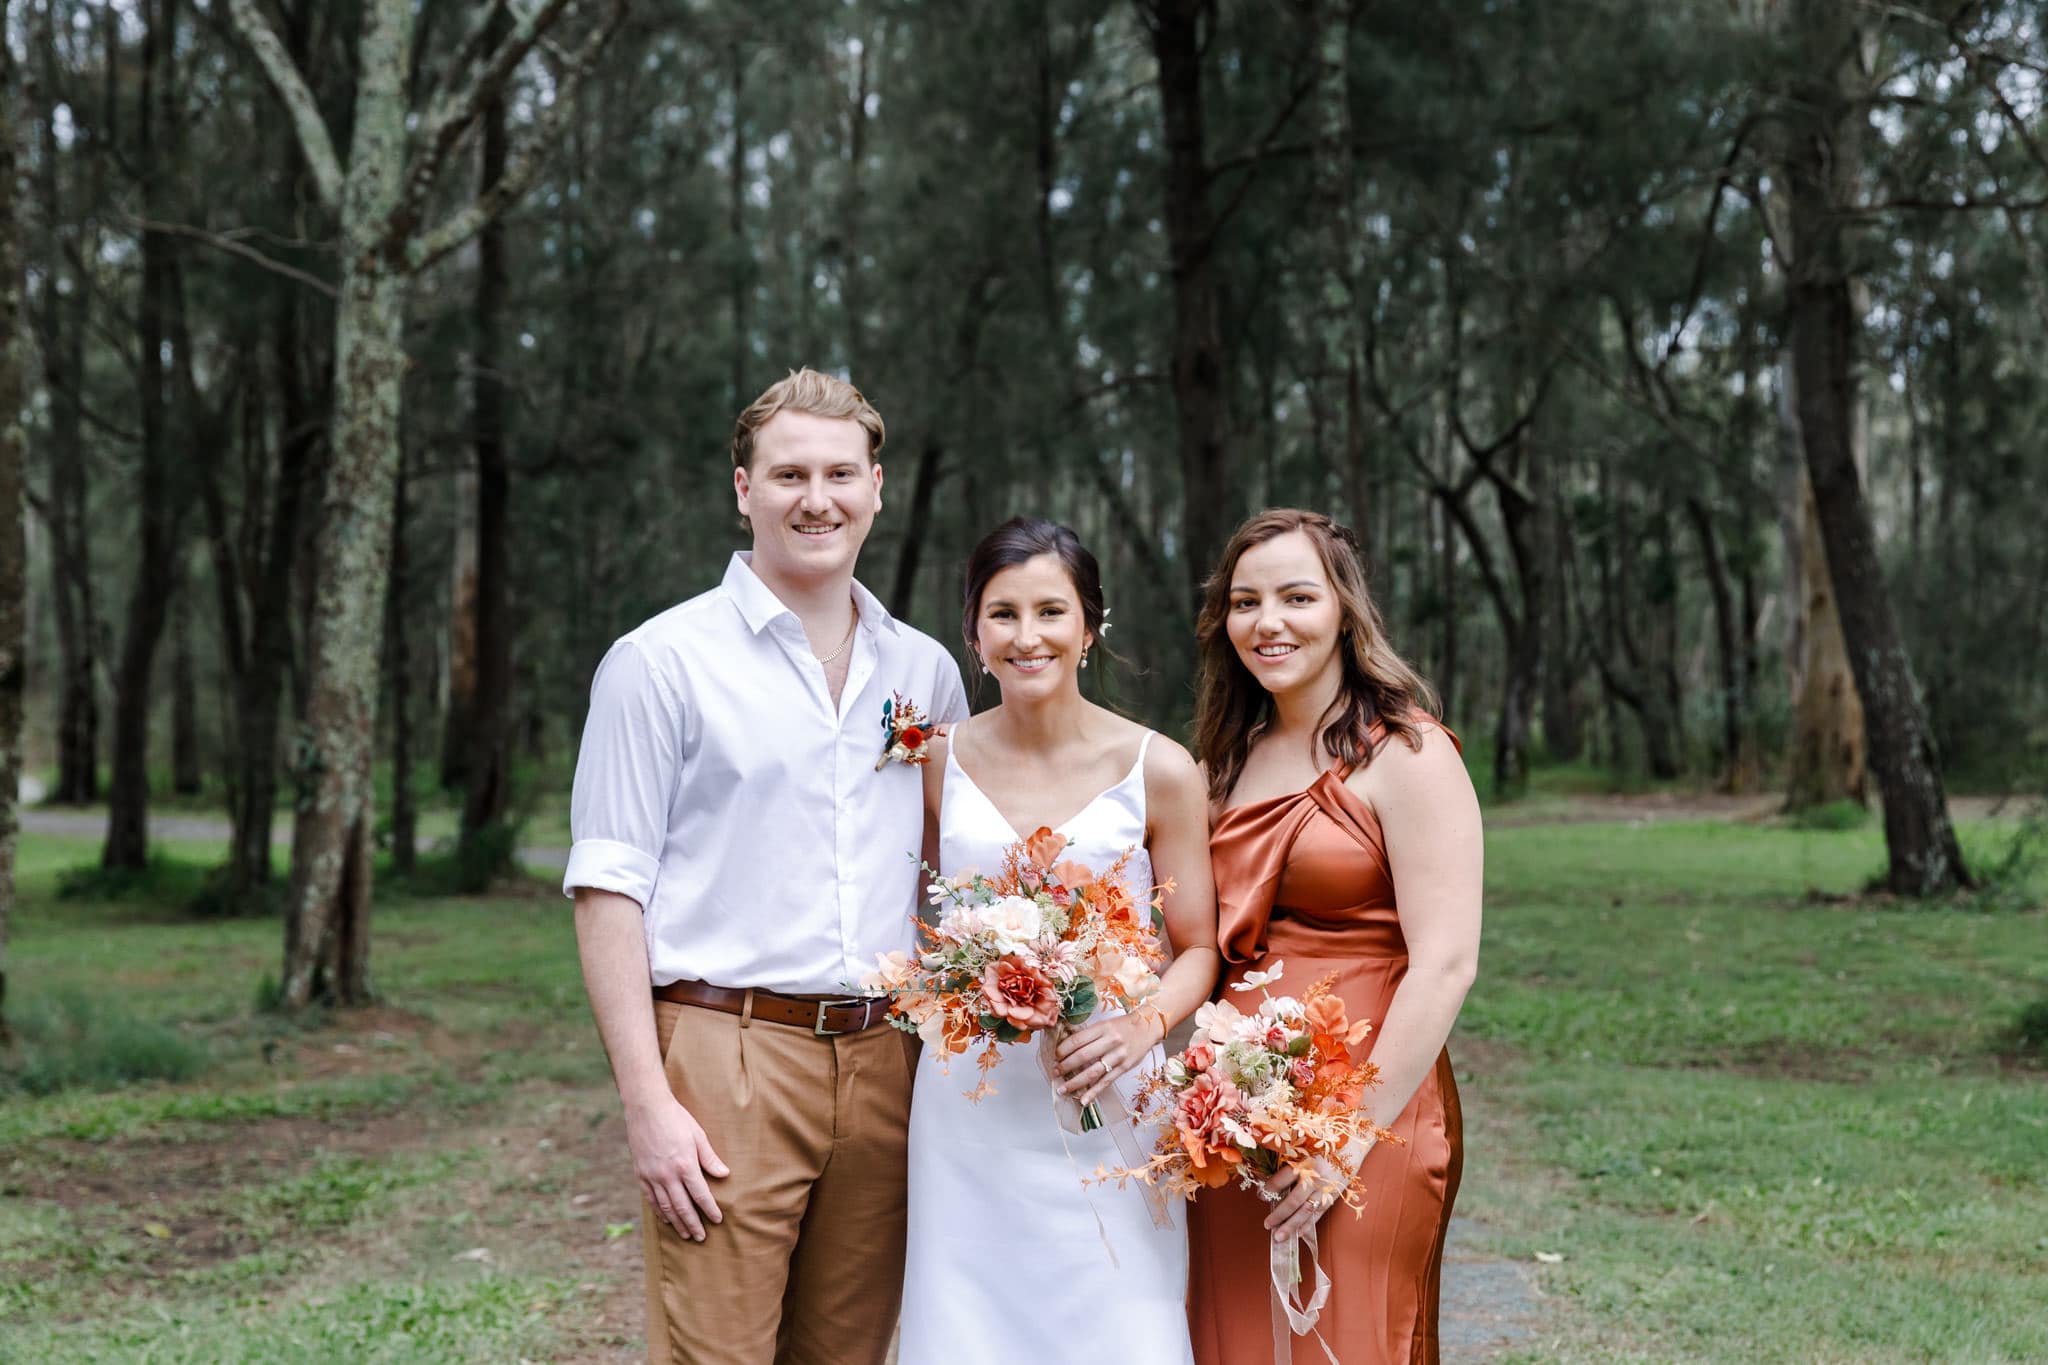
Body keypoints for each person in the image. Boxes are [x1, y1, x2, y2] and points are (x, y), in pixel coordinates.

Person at [563, 369, 968, 1365]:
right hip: (722, 1053)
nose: (816, 498)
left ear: (877, 487)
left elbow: (948, 874)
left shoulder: (925, 674)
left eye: (839, 473)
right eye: (788, 474)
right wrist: (648, 1104)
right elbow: (608, 890)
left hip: (884, 1060)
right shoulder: (657, 663)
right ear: (743, 490)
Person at [896, 517, 1220, 1365]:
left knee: (1118, 1322)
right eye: (1002, 613)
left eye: (1051, 611)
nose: (1027, 635)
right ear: (972, 632)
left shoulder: (1160, 768)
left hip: (1109, 1082)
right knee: (967, 1322)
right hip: (969, 1098)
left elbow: (1198, 947)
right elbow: (926, 919)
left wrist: (1139, 1027)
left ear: (1089, 625)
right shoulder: (935, 761)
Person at [1185, 508, 1482, 1365]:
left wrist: (1346, 1135)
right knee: (1234, 1332)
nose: (1267, 621)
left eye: (1295, 596)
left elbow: (1447, 962)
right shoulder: (1223, 760)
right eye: (1245, 601)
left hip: (1372, 1103)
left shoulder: (1410, 754)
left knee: (1348, 1335)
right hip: (1232, 1107)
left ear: (1345, 611)